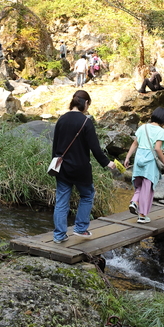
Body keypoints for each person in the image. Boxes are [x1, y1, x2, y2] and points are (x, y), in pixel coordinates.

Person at [51, 90, 116, 243]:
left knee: (61, 201)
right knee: (87, 195)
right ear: (85, 103)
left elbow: (55, 146)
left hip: (63, 168)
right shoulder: (86, 122)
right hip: (81, 169)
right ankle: (80, 228)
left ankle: (59, 235)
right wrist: (107, 162)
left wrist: (55, 163)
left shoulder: (61, 120)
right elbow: (95, 148)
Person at [123, 107, 164, 224]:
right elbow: (157, 149)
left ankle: (134, 202)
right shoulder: (161, 131)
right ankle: (142, 216)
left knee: (139, 186)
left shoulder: (142, 127)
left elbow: (135, 143)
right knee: (147, 188)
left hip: (139, 159)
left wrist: (128, 157)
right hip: (150, 162)